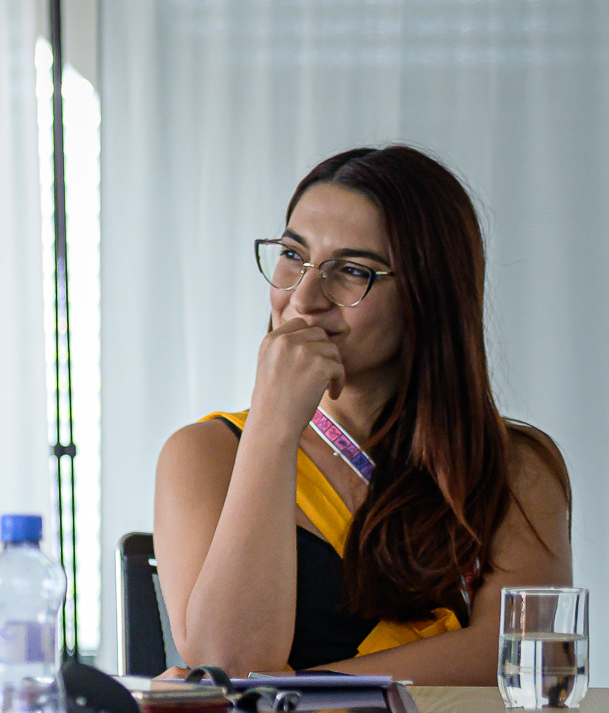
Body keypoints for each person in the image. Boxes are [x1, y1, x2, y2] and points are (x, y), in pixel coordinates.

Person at [154, 145, 572, 681]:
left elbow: (525, 657)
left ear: (426, 296)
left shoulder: (511, 466)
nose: (304, 298)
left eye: (351, 270)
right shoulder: (206, 453)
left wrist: (291, 693)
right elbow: (227, 664)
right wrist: (273, 427)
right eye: (292, 256)